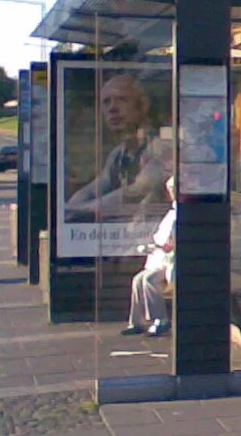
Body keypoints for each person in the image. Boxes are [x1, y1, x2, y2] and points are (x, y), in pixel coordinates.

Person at [66, 72, 168, 221]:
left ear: (143, 104)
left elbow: (135, 192)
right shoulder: (120, 153)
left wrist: (77, 210)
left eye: (122, 99)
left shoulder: (162, 145)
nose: (112, 108)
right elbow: (94, 189)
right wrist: (70, 208)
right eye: (106, 102)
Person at [123, 177, 176, 337]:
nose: (171, 194)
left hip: (171, 262)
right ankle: (137, 322)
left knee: (149, 280)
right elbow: (162, 238)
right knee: (138, 279)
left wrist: (160, 246)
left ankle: (161, 319)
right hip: (161, 258)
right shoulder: (172, 212)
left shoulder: (181, 213)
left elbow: (171, 243)